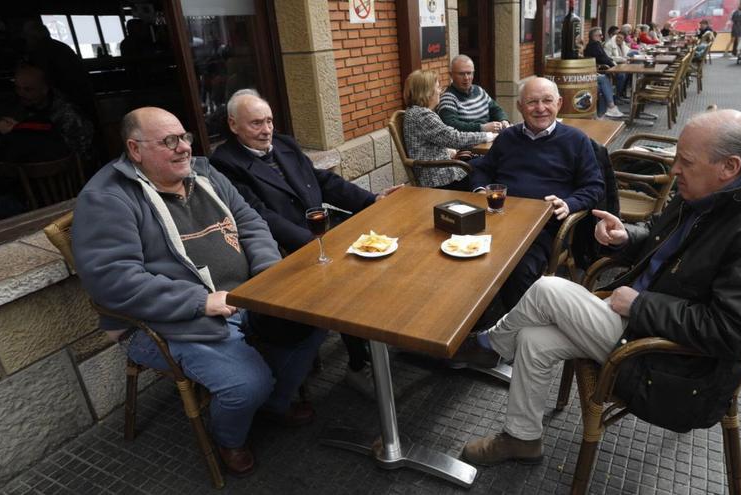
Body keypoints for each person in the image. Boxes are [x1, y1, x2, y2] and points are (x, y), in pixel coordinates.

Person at [454, 109, 741, 466]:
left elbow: (733, 332)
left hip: (673, 363)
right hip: (640, 323)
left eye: (685, 161)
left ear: (729, 167)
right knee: (533, 341)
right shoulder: (710, 196)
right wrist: (626, 237)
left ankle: (489, 345)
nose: (674, 171)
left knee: (547, 289)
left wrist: (640, 306)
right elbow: (661, 241)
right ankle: (521, 438)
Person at [72, 107, 326, 476]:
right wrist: (200, 301)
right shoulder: (107, 199)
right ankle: (230, 438)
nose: (183, 149)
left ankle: (273, 401)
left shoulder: (204, 173)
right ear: (135, 149)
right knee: (246, 384)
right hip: (168, 320)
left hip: (244, 296)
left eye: (185, 138)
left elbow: (251, 224)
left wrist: (268, 277)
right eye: (169, 142)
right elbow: (112, 279)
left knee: (317, 319)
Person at [209, 89, 402, 399]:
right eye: (256, 123)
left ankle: (380, 331)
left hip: (319, 229)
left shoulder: (284, 143)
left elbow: (323, 181)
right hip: (283, 246)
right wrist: (319, 244)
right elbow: (259, 216)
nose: (267, 129)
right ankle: (358, 363)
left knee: (384, 246)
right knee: (346, 278)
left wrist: (370, 201)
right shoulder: (223, 164)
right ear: (234, 125)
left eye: (269, 120)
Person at [468, 77, 604, 311]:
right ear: (520, 107)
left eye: (547, 101)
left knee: (517, 268)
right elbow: (482, 168)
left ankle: (516, 327)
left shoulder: (576, 140)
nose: (540, 108)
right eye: (532, 102)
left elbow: (594, 186)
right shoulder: (508, 137)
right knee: (459, 253)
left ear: (559, 103)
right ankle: (468, 316)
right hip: (496, 218)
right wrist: (480, 190)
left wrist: (569, 203)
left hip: (540, 228)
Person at [403, 69, 495, 190]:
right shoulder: (422, 115)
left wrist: (448, 152)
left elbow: (434, 142)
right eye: (437, 87)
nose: (440, 91)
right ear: (427, 92)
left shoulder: (416, 112)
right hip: (441, 179)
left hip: (442, 171)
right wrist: (488, 136)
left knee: (485, 162)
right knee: (492, 163)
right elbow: (454, 138)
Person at [0, 64, 93, 164]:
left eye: (28, 89)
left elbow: (75, 154)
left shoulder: (68, 113)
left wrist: (18, 130)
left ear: (44, 89)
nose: (20, 93)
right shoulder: (14, 104)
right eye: (17, 88)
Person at [22, 20, 96, 122]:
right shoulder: (61, 47)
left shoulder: (39, 52)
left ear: (33, 37)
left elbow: (44, 80)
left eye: (27, 37)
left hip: (65, 102)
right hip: (82, 98)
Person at [437, 54, 510, 133]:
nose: (466, 78)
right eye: (461, 74)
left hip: (490, 137)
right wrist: (482, 128)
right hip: (470, 142)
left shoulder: (479, 91)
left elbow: (495, 109)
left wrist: (503, 120)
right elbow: (452, 125)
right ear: (451, 75)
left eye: (469, 73)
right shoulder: (447, 98)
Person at [582, 28, 627, 118]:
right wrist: (613, 66)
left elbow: (605, 57)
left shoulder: (595, 44)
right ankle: (612, 105)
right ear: (593, 36)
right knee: (606, 78)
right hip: (592, 72)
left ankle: (612, 105)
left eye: (602, 35)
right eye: (600, 35)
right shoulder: (594, 45)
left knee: (607, 78)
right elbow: (603, 58)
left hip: (594, 71)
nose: (602, 37)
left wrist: (612, 65)